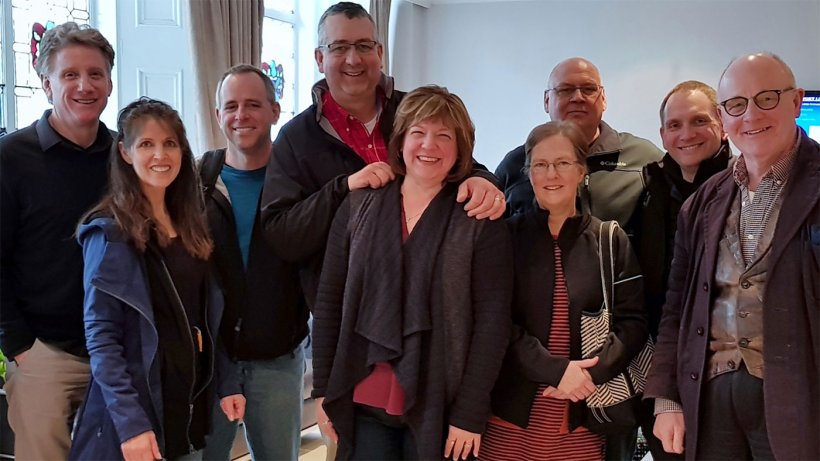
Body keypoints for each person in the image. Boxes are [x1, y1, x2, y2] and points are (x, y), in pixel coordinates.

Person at [260, 1, 505, 315]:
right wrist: (343, 188)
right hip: (347, 314)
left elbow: (463, 164)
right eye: (339, 47)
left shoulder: (414, 112)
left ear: (379, 53)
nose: (353, 59)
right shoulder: (296, 138)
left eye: (364, 46)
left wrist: (482, 180)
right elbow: (282, 236)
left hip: (430, 307)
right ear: (320, 58)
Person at [311, 85, 513, 460]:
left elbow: (493, 323)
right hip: (362, 395)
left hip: (442, 401)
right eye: (418, 133)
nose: (429, 146)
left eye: (443, 136)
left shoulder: (479, 219)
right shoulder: (359, 206)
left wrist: (470, 412)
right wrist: (322, 389)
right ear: (401, 141)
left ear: (461, 147)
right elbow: (329, 300)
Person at [645, 53, 820, 460]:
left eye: (767, 98)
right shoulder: (703, 203)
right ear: (724, 118)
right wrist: (667, 399)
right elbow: (677, 309)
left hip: (800, 400)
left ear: (795, 102)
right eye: (737, 105)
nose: (751, 115)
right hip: (711, 401)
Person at [68, 98, 242, 461]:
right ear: (126, 153)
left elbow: (207, 316)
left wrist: (226, 382)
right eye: (146, 144)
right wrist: (131, 423)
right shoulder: (109, 233)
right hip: (138, 415)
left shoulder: (191, 224)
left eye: (170, 143)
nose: (160, 154)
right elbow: (102, 339)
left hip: (187, 405)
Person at [481, 121, 648, 461]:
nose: (551, 173)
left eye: (562, 163)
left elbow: (633, 324)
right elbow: (494, 322)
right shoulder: (503, 238)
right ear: (529, 174)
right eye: (540, 164)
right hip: (508, 418)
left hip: (582, 418)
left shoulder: (610, 240)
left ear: (581, 170)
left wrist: (588, 375)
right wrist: (556, 371)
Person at [0, 21, 115, 460]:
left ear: (109, 82)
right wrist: (19, 346)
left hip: (116, 356)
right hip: (43, 354)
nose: (84, 85)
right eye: (70, 74)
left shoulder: (125, 158)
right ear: (46, 82)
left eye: (95, 73)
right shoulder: (10, 159)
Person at [200, 65, 308, 461]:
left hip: (278, 359)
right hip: (210, 363)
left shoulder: (298, 184)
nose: (240, 115)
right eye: (231, 106)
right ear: (217, 115)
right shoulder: (197, 183)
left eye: (252, 105)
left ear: (274, 111)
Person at [495, 57, 662, 230]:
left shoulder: (644, 158)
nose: (578, 97)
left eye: (589, 89)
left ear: (603, 99)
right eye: (565, 90)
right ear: (546, 101)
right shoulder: (514, 165)